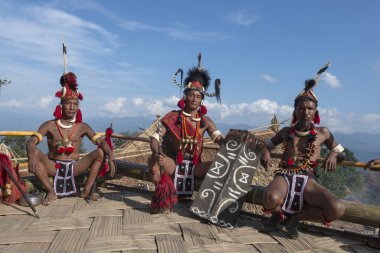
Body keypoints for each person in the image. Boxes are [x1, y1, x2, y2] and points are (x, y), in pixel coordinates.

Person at [260, 71, 346, 238]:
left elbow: (342, 153)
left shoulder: (324, 133)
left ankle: (294, 219)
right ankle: (277, 216)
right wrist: (265, 152)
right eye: (301, 108)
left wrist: (334, 155)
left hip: (308, 177)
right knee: (270, 197)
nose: (306, 112)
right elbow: (266, 145)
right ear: (295, 112)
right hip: (285, 173)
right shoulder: (285, 132)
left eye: (310, 108)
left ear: (315, 112)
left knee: (337, 209)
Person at [26, 72, 115, 205]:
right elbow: (31, 141)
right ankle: (51, 191)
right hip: (53, 166)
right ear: (61, 104)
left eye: (75, 104)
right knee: (36, 153)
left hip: (75, 166)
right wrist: (31, 154)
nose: (72, 107)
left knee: (101, 152)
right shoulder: (49, 125)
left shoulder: (82, 127)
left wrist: (111, 157)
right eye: (69, 103)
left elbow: (101, 141)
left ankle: (86, 190)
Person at [149, 54, 224, 207]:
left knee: (221, 165)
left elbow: (220, 141)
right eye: (191, 95)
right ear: (185, 97)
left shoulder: (206, 121)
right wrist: (158, 153)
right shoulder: (173, 117)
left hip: (195, 166)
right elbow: (155, 138)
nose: (194, 99)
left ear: (201, 99)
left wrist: (233, 143)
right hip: (174, 162)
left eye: (198, 96)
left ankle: (209, 206)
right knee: (154, 163)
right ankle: (163, 199)